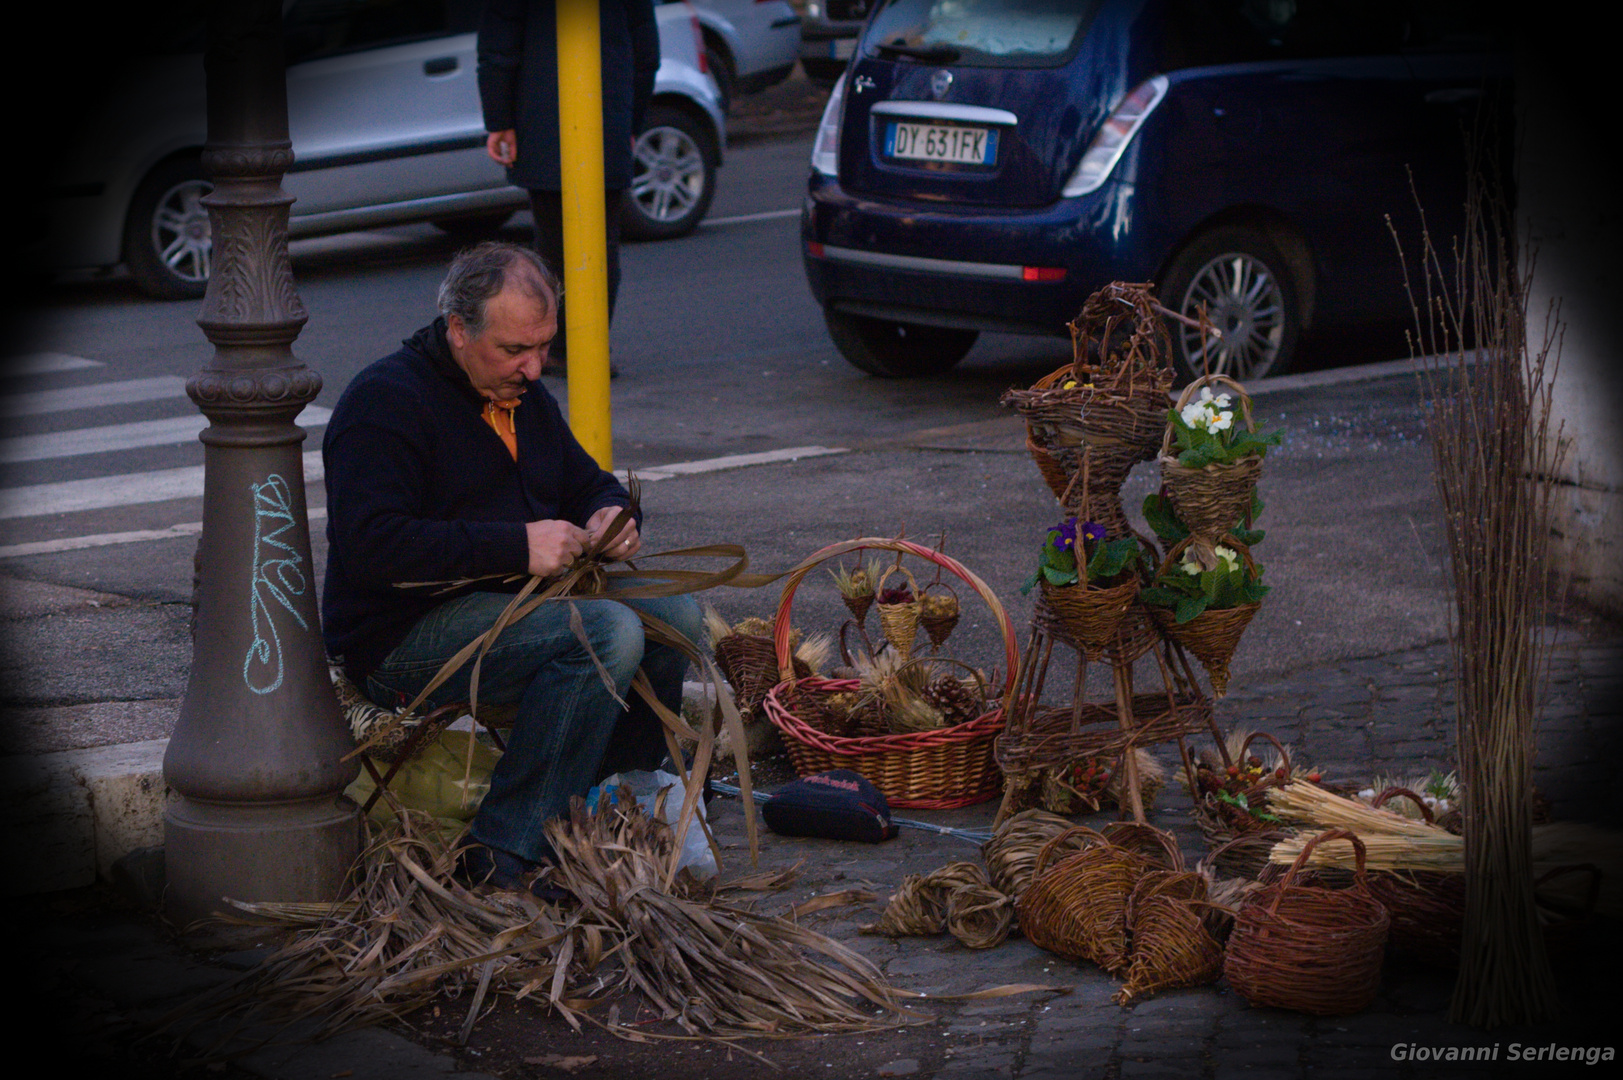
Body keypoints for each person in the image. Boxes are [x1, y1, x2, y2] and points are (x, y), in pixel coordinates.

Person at [321, 241, 702, 894]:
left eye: (542, 347)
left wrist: (611, 514)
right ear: (458, 329)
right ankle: (503, 846)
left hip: (515, 610)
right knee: (602, 632)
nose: (533, 368)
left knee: (676, 616)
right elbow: (370, 545)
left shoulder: (522, 396)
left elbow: (586, 482)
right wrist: (515, 547)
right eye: (513, 350)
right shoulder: (384, 403)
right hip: (402, 636)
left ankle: (604, 806)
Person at [477, 0, 659, 377]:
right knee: (601, 241)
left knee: (552, 243)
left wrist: (500, 119)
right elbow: (645, 52)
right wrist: (630, 120)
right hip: (604, 116)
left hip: (541, 119)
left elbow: (500, 45)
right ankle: (591, 344)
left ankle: (554, 347)